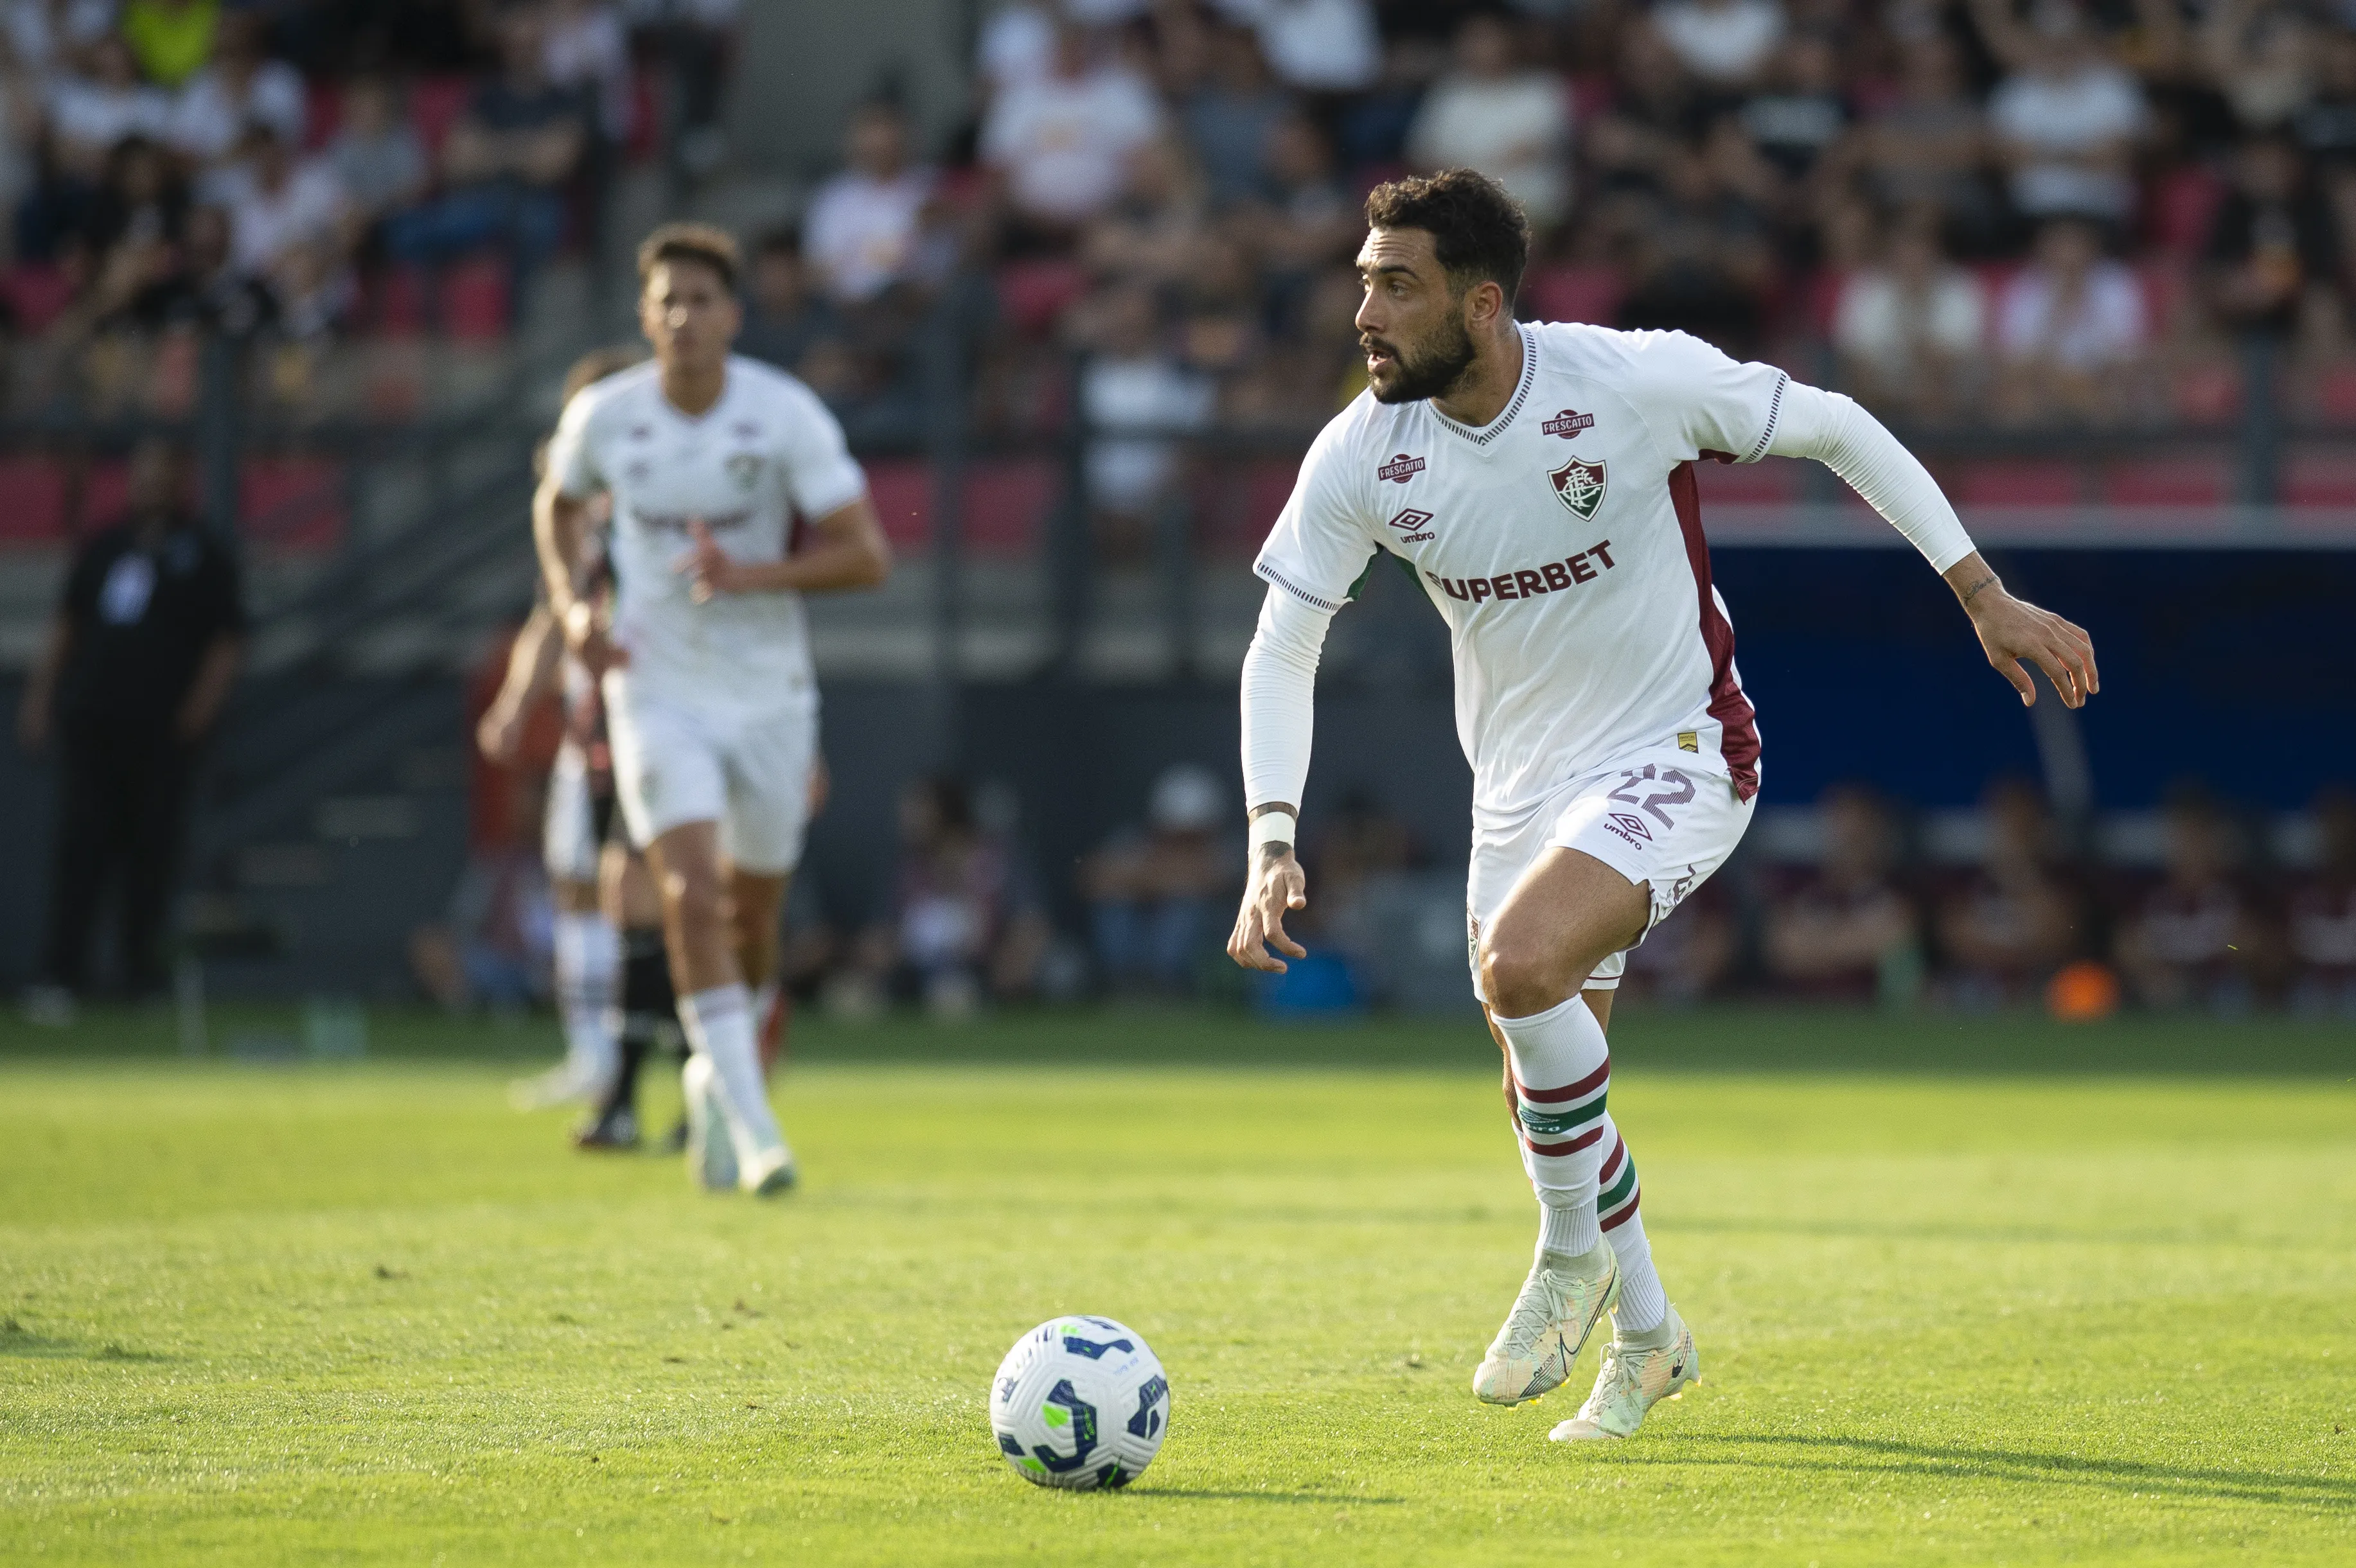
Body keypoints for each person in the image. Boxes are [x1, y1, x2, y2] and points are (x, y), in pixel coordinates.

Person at [1227, 169, 2096, 1442]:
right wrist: (1269, 838)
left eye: (1394, 284)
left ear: (1478, 305)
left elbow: (1838, 424)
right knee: (1541, 1092)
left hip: (1679, 748)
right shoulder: (1365, 449)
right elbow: (1280, 646)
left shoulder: (1623, 382)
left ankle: (1568, 1258)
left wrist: (1981, 591)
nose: (1363, 309)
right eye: (1362, 279)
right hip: (1518, 786)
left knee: (1520, 969)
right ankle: (1647, 1336)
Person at [536, 223, 892, 1195]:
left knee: (752, 913)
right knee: (686, 891)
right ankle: (754, 1121)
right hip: (654, 687)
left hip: (768, 693)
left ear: (733, 315)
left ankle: (713, 1075)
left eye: (702, 299)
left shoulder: (783, 417)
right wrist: (573, 606)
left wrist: (751, 574)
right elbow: (559, 504)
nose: (683, 316)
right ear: (644, 316)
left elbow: (867, 555)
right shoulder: (605, 417)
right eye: (667, 300)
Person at [19, 439, 245, 1019]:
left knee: (152, 856)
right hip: (94, 725)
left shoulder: (202, 552)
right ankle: (61, 975)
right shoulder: (105, 545)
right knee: (81, 853)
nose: (150, 486)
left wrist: (196, 711)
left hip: (159, 734)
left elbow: (226, 640)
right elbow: (67, 624)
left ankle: (139, 977)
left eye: (160, 475)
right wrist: (42, 697)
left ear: (179, 480)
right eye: (142, 474)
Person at [478, 344, 646, 1117]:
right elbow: (555, 610)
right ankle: (594, 1053)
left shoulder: (656, 489)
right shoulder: (575, 509)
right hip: (592, 731)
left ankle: (669, 1055)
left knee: (657, 896)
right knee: (579, 889)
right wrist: (519, 699)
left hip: (660, 721)